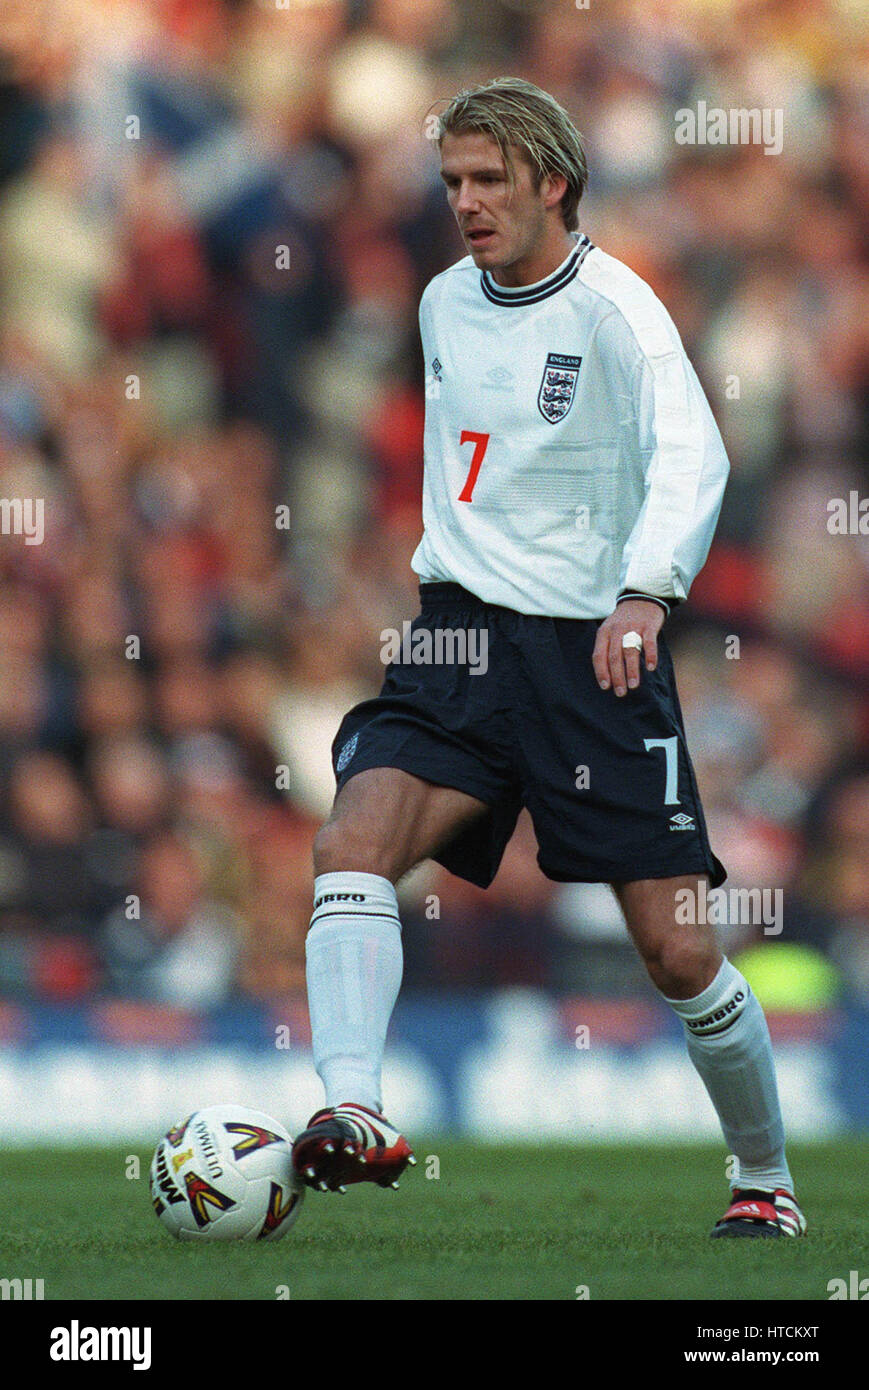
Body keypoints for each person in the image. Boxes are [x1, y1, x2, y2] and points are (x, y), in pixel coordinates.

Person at [291, 78, 805, 1239]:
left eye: (487, 181)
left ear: (553, 183)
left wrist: (641, 591)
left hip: (593, 654)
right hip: (461, 638)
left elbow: (691, 456)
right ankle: (354, 1112)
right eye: (451, 183)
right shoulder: (438, 304)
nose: (465, 203)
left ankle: (763, 1178)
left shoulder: (618, 313)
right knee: (350, 839)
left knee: (676, 951)